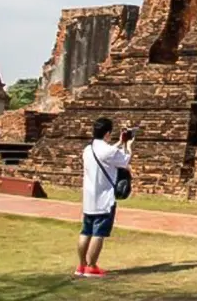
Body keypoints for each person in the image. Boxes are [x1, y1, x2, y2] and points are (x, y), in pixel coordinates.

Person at [77, 117, 133, 278]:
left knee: (85, 231)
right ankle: (92, 266)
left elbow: (106, 154)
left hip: (89, 198)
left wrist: (119, 143)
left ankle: (81, 266)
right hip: (104, 198)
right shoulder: (108, 151)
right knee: (98, 233)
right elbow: (124, 160)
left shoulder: (87, 150)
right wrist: (128, 145)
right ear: (108, 133)